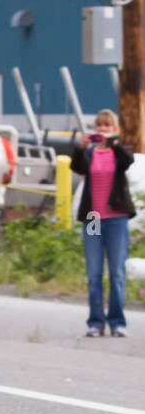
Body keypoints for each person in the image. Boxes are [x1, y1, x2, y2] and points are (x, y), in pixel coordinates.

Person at [71, 109, 136, 337]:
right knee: (94, 273)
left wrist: (114, 144)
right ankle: (95, 322)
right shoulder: (89, 154)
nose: (102, 130)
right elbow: (76, 168)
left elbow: (128, 162)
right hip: (93, 218)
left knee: (117, 272)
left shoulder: (119, 152)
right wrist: (80, 148)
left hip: (116, 218)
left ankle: (117, 322)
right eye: (99, 126)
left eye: (107, 126)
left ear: (114, 129)